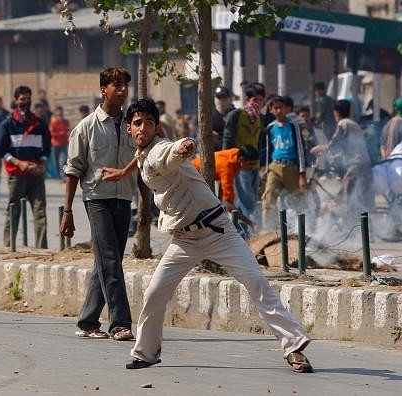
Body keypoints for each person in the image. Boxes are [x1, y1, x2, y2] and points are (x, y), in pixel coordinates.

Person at [120, 98, 313, 373]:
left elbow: (172, 152)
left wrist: (184, 146)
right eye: (137, 123)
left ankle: (294, 346)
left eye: (148, 123)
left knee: (257, 282)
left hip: (217, 231)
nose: (143, 128)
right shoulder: (141, 156)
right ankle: (146, 352)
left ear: (157, 128)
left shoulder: (159, 149)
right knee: (155, 293)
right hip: (184, 240)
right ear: (129, 129)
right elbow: (144, 163)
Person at [59, 66, 150, 341]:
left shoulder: (132, 125)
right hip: (96, 199)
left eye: (125, 86)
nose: (122, 91)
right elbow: (73, 170)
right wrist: (67, 211)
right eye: (117, 85)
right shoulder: (85, 128)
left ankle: (87, 321)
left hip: (123, 197)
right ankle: (120, 323)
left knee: (108, 260)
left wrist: (146, 203)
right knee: (110, 260)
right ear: (103, 89)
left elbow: (142, 163)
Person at [0, 86, 51, 249]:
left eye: (27, 99)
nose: (25, 103)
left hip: (36, 175)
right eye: (22, 99)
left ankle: (41, 249)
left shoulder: (40, 124)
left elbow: (46, 149)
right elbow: (1, 150)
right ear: (15, 101)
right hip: (16, 176)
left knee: (40, 213)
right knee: (14, 212)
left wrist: (41, 164)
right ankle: (8, 247)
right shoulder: (7, 125)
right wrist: (19, 163)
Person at [311, 99, 373, 227]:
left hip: (356, 166)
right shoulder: (353, 124)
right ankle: (356, 227)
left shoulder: (343, 123)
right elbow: (347, 146)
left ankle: (352, 228)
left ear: (336, 112)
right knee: (355, 197)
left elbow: (334, 142)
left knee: (347, 197)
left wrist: (319, 148)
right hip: (362, 164)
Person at [222, 82, 266, 232]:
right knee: (244, 200)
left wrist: (260, 166)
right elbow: (227, 140)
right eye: (255, 100)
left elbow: (259, 142)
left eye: (261, 100)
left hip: (254, 165)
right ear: (248, 99)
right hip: (239, 165)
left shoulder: (260, 118)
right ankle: (245, 233)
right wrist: (228, 163)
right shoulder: (236, 115)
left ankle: (247, 232)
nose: (258, 103)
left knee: (251, 200)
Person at [261, 95, 307, 231]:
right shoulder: (270, 128)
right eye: (276, 108)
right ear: (271, 110)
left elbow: (300, 148)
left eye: (281, 107)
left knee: (297, 200)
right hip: (274, 166)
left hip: (291, 167)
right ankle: (269, 230)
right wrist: (267, 171)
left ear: (286, 109)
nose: (279, 111)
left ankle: (302, 229)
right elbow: (269, 150)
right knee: (269, 198)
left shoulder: (294, 126)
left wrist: (302, 174)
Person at [191, 144, 258, 229]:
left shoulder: (236, 153)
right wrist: (251, 223)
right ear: (241, 160)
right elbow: (228, 204)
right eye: (250, 164)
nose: (252, 168)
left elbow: (222, 197)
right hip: (192, 177)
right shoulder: (227, 169)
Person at [379, 97, 402, 239]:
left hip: (386, 166)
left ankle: (390, 229)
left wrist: (386, 159)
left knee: (391, 198)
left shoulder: (387, 124)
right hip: (400, 167)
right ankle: (393, 229)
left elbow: (381, 144)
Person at [48, 105, 70, 181]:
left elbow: (66, 130)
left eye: (61, 112)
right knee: (56, 162)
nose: (60, 113)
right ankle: (58, 177)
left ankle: (63, 175)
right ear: (56, 113)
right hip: (55, 144)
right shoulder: (53, 122)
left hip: (64, 144)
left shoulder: (66, 121)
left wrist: (60, 133)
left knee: (63, 160)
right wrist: (61, 133)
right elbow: (52, 133)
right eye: (58, 112)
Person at [212, 86, 236, 151]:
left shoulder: (235, 114)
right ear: (214, 99)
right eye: (219, 97)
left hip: (233, 152)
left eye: (224, 97)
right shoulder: (209, 115)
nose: (221, 101)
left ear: (229, 99)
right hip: (216, 153)